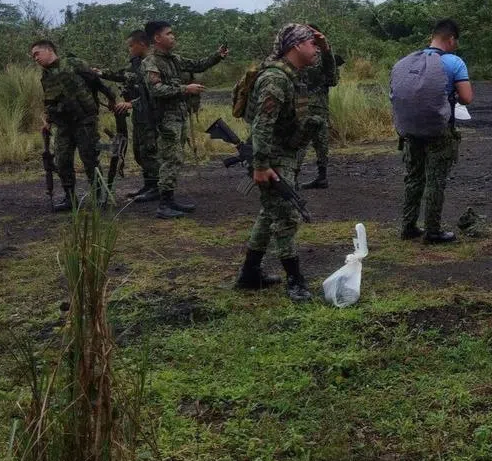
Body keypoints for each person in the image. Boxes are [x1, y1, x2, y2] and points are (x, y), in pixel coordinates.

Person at [235, 23, 325, 302]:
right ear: (296, 46)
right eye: (312, 44)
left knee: (269, 213)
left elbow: (328, 73)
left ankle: (249, 273)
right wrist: (261, 165)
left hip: (280, 153)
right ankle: (295, 280)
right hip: (270, 155)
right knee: (286, 216)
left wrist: (326, 46)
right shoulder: (275, 79)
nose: (315, 49)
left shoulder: (291, 74)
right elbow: (262, 124)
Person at [393, 19, 473, 244]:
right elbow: (466, 98)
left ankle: (408, 227)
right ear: (451, 39)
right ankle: (433, 230)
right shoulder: (454, 62)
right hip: (439, 131)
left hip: (410, 131)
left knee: (413, 178)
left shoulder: (407, 61)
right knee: (435, 181)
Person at [141, 20, 228, 219]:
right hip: (165, 119)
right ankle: (164, 204)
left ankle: (170, 200)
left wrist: (217, 56)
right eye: (169, 33)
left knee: (175, 158)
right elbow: (155, 90)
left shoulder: (174, 59)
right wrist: (185, 89)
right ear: (157, 38)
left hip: (177, 115)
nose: (173, 37)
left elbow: (197, 65)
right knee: (171, 159)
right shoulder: (151, 62)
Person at [30, 40, 123, 210]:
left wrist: (111, 99)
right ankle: (69, 198)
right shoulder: (46, 76)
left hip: (84, 121)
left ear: (49, 50)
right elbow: (50, 101)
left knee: (89, 159)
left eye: (37, 54)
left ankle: (98, 197)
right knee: (62, 160)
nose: (35, 58)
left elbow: (96, 82)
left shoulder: (73, 63)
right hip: (63, 125)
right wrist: (48, 122)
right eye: (33, 56)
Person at [96, 29, 160, 202]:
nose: (129, 49)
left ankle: (156, 187)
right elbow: (124, 75)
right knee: (140, 151)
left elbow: (153, 94)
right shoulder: (136, 63)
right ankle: (148, 185)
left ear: (141, 44)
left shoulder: (153, 63)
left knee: (150, 151)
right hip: (139, 116)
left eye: (131, 46)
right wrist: (101, 73)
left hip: (151, 116)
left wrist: (131, 104)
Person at [298, 24, 342, 190]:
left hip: (316, 106)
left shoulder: (322, 56)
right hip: (305, 106)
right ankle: (294, 176)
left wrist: (326, 50)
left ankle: (321, 177)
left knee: (317, 143)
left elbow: (333, 80)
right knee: (302, 142)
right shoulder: (308, 55)